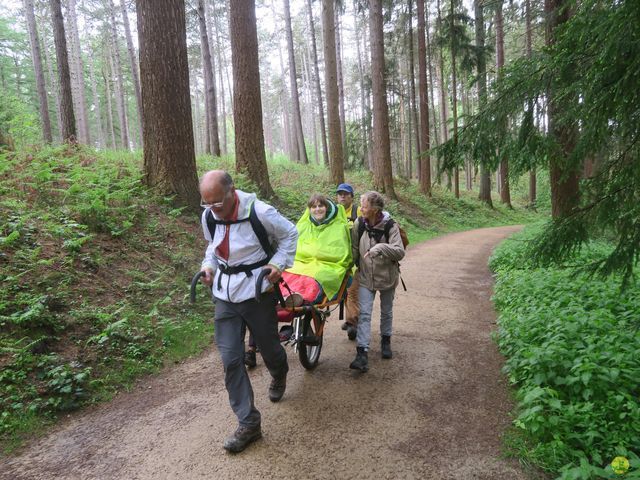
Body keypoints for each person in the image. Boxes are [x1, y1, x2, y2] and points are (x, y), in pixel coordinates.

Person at [199, 170, 298, 453]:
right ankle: (249, 423)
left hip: (256, 292)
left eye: (218, 203)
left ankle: (279, 372)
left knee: (269, 349)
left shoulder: (260, 211)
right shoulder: (209, 215)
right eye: (207, 204)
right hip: (224, 295)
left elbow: (290, 233)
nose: (214, 210)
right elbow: (213, 248)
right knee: (231, 359)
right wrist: (208, 268)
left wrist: (278, 264)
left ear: (233, 191)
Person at [350, 191, 405, 373]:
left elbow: (399, 251)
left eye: (364, 206)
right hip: (366, 277)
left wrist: (379, 247)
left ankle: (386, 340)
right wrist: (350, 268)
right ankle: (362, 353)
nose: (361, 208)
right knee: (364, 313)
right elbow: (355, 249)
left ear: (374, 209)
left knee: (386, 311)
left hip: (387, 277)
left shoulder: (390, 225)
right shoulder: (359, 224)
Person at [282, 193, 352, 302]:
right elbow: (294, 248)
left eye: (320, 206)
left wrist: (316, 253)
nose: (317, 209)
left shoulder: (339, 226)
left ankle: (302, 299)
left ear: (326, 207)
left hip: (329, 266)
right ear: (309, 209)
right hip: (303, 263)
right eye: (314, 207)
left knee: (316, 277)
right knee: (287, 273)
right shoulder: (304, 225)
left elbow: (341, 253)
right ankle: (285, 297)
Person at [336, 183, 361, 341]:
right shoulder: (334, 212)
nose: (343, 196)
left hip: (355, 261)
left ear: (352, 197)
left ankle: (353, 322)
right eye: (340, 194)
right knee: (344, 292)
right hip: (338, 261)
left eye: (346, 194)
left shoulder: (357, 211)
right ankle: (350, 318)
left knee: (352, 292)